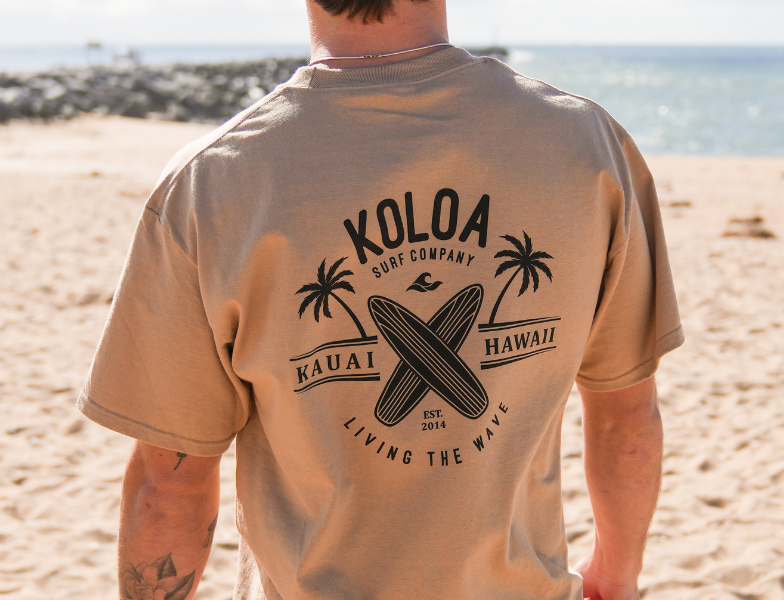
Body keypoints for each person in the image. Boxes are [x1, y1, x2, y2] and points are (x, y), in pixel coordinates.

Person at [77, 1, 682, 599]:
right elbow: (626, 413)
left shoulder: (212, 184)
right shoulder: (586, 146)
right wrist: (617, 576)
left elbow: (170, 484)